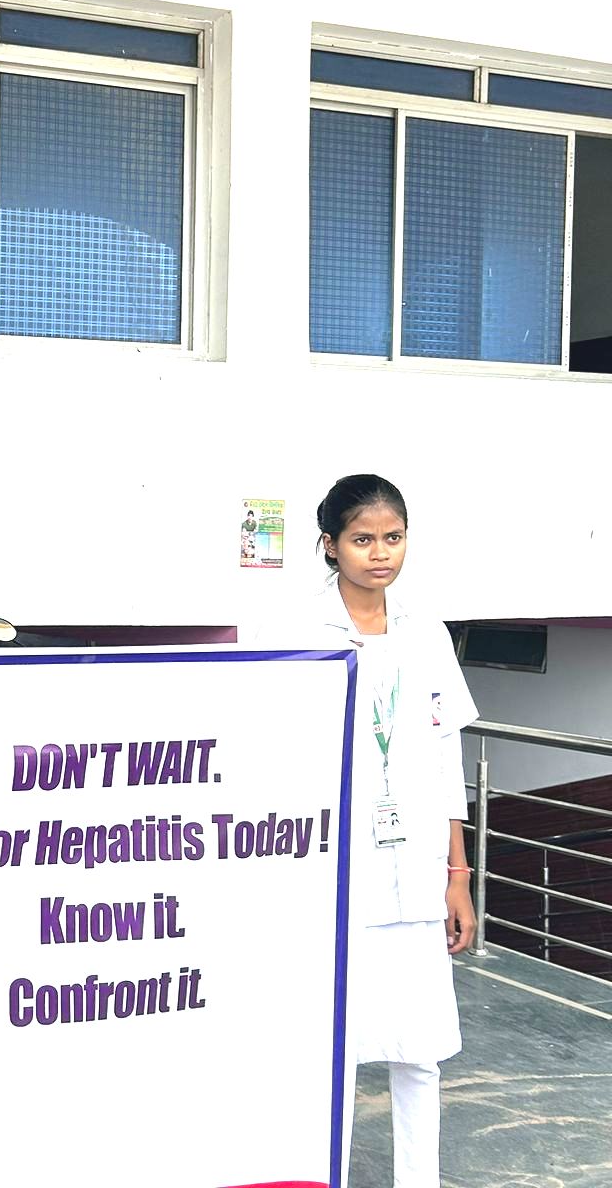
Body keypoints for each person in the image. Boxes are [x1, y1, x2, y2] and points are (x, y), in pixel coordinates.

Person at [255, 474, 477, 1188]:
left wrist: (458, 877)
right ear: (330, 545)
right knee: (336, 1051)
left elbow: (446, 760)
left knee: (421, 1051)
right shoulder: (293, 630)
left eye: (393, 537)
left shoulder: (427, 633)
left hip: (416, 871)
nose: (380, 554)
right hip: (337, 872)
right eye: (362, 539)